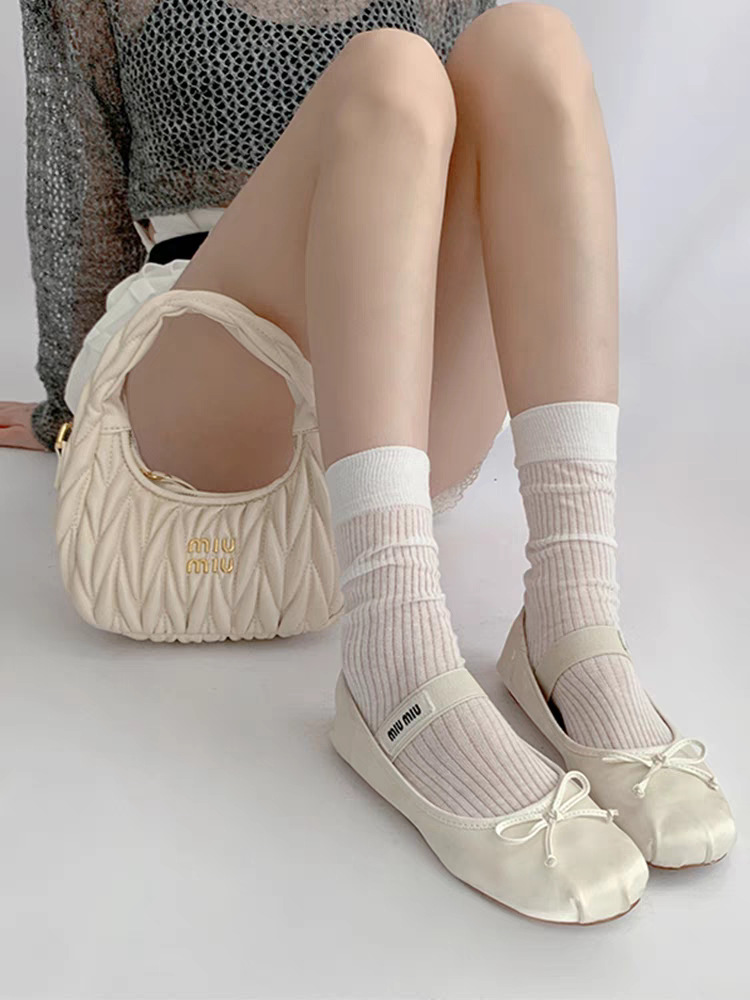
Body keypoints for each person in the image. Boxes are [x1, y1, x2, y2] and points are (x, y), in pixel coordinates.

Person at [6, 1, 735, 921]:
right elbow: (81, 218)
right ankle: (393, 663)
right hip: (215, 354)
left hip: (396, 369)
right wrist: (65, 410)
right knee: (390, 74)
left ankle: (572, 620)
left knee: (530, 43)